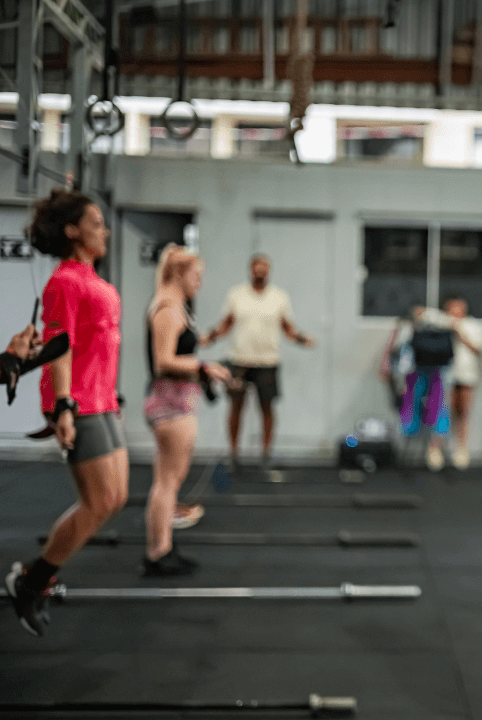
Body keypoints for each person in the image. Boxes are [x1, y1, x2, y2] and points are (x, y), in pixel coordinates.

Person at [6, 189, 128, 637]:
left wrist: (111, 394)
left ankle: (36, 577)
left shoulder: (95, 280)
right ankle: (31, 581)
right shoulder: (65, 282)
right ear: (73, 231)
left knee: (115, 499)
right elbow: (61, 348)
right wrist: (63, 407)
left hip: (103, 399)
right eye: (96, 223)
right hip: (77, 400)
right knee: (98, 502)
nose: (105, 230)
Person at [142, 245, 232, 576]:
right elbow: (163, 361)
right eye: (196, 275)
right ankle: (158, 552)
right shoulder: (167, 308)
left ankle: (162, 545)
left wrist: (209, 346)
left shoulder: (176, 307)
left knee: (169, 481)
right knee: (167, 482)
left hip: (177, 402)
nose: (199, 282)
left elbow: (183, 347)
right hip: (170, 405)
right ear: (179, 274)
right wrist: (205, 367)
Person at [201, 254, 315, 470]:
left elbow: (287, 328)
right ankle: (233, 453)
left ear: (269, 271)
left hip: (267, 361)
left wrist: (302, 339)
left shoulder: (279, 297)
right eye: (257, 267)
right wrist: (211, 336)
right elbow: (226, 324)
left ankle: (266, 453)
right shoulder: (236, 294)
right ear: (251, 269)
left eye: (264, 268)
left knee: (267, 408)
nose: (260, 272)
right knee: (236, 407)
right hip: (239, 360)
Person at [416, 296, 482, 470]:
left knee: (463, 412)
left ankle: (460, 450)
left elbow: (478, 348)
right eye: (453, 308)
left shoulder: (472, 325)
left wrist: (459, 332)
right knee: (441, 411)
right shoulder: (442, 322)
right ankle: (435, 449)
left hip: (467, 374)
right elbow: (422, 314)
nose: (457, 311)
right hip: (445, 373)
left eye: (460, 307)